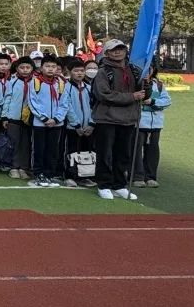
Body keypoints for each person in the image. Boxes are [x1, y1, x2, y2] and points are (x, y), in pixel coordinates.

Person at [91, 39, 143, 201]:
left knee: (123, 155)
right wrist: (131, 96)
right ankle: (104, 184)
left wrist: (147, 82)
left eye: (120, 49)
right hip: (107, 119)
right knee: (105, 154)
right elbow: (104, 94)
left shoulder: (134, 70)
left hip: (128, 119)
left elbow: (143, 94)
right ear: (106, 53)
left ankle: (119, 184)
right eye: (113, 50)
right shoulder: (103, 72)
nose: (117, 52)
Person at [27, 55, 68, 188]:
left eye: (53, 67)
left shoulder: (61, 83)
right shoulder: (34, 82)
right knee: (39, 149)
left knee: (53, 150)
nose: (50, 69)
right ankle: (38, 173)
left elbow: (65, 103)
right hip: (40, 123)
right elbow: (32, 102)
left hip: (57, 123)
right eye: (47, 66)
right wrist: (44, 118)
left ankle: (49, 174)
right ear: (41, 67)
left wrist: (56, 118)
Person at [134, 64, 171, 188]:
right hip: (138, 123)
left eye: (149, 68)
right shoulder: (135, 83)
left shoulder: (159, 85)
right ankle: (137, 176)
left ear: (153, 70)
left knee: (153, 151)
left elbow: (167, 101)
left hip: (155, 124)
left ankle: (150, 176)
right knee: (136, 151)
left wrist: (153, 101)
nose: (146, 71)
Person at [64, 60, 96, 188]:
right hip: (72, 127)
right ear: (69, 72)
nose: (79, 73)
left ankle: (85, 176)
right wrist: (76, 124)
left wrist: (92, 124)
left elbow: (95, 106)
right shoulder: (66, 87)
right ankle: (70, 176)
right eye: (76, 71)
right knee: (72, 152)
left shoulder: (89, 88)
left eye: (82, 71)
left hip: (88, 127)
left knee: (87, 152)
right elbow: (67, 106)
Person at [1, 57, 35, 180]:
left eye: (28, 67)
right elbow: (7, 99)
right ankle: (14, 167)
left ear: (32, 68)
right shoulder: (12, 81)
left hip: (29, 118)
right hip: (13, 117)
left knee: (26, 144)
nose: (25, 70)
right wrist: (5, 116)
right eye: (22, 67)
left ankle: (23, 168)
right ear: (17, 68)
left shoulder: (36, 82)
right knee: (13, 143)